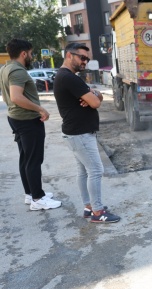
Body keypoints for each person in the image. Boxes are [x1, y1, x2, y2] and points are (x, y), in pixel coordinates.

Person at [54, 43, 120, 223]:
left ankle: (89, 207)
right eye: (82, 58)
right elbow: (97, 103)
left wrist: (93, 93)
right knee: (96, 170)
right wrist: (92, 96)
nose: (85, 62)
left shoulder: (67, 77)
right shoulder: (69, 78)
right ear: (69, 55)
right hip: (80, 133)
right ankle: (98, 212)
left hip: (75, 132)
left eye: (87, 59)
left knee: (83, 171)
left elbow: (95, 98)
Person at [0, 39, 61, 210]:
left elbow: (9, 97)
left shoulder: (5, 68)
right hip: (26, 120)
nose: (32, 56)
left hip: (16, 118)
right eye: (31, 53)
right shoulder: (17, 71)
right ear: (24, 53)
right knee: (34, 160)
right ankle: (37, 198)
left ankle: (30, 194)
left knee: (25, 158)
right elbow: (16, 97)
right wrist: (40, 109)